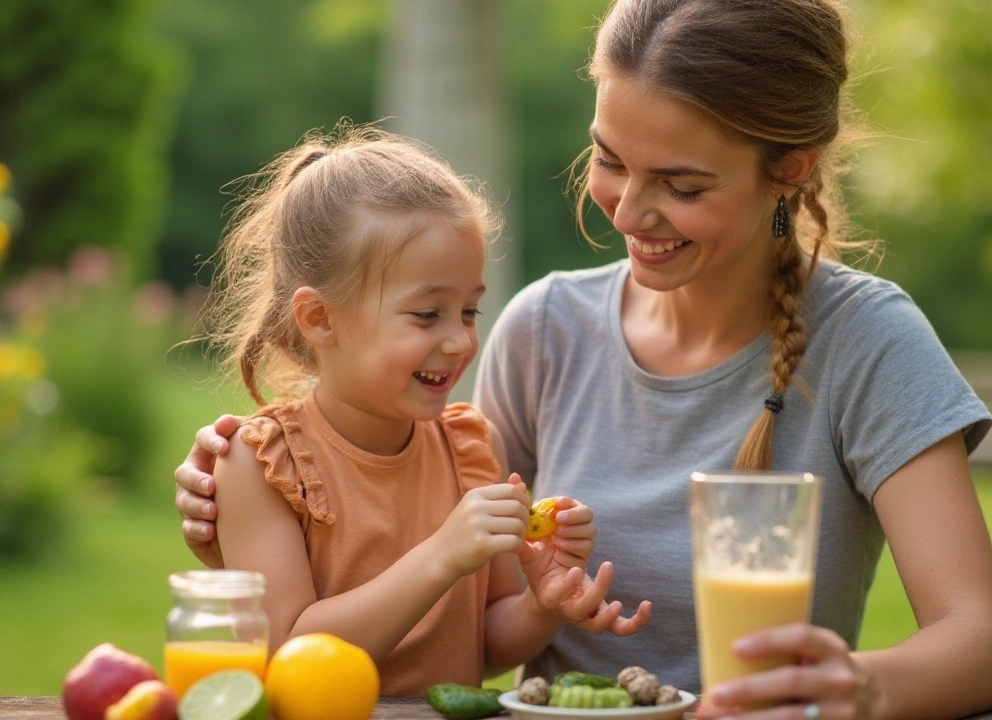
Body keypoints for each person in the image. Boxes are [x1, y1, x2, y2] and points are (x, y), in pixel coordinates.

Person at [176, 1, 992, 717]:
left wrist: (850, 691)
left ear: (789, 169)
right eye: (611, 160)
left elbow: (974, 642)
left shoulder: (869, 343)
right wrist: (246, 495)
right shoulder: (546, 329)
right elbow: (421, 543)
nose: (632, 211)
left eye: (682, 186)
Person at [188, 125, 650, 696]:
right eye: (428, 315)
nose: (458, 340)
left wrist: (544, 603)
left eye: (470, 311)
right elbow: (287, 653)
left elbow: (482, 648)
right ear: (319, 319)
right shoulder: (258, 465)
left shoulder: (470, 447)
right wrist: (441, 556)